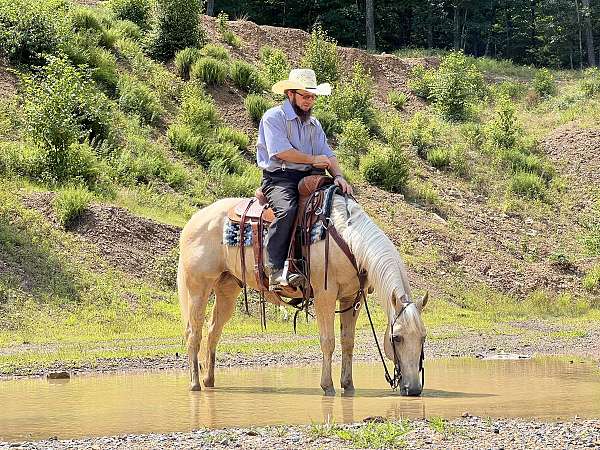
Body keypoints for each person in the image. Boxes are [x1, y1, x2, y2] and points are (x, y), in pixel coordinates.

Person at [256, 68, 352, 291]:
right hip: (280, 178)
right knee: (287, 210)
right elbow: (281, 152)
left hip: (309, 177)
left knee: (336, 206)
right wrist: (312, 159)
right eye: (305, 96)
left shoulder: (314, 124)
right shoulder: (273, 117)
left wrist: (338, 176)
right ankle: (275, 269)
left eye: (312, 97)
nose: (310, 101)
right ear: (290, 94)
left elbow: (328, 154)